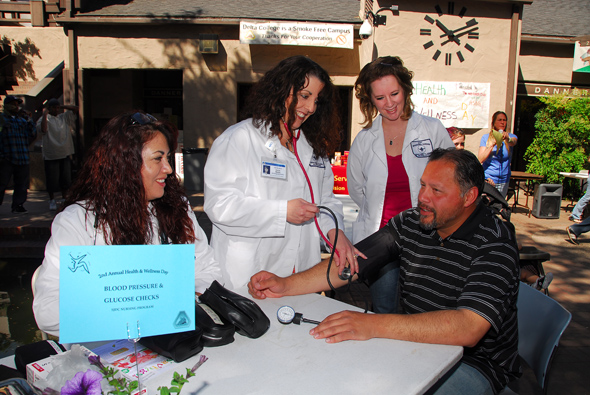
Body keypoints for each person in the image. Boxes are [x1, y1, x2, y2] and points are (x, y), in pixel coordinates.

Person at [249, 148, 521, 395]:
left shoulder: (496, 242)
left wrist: (373, 324)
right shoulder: (412, 222)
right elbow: (351, 262)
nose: (423, 197)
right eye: (423, 185)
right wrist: (285, 285)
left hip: (475, 364)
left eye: (436, 191)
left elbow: (468, 327)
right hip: (416, 347)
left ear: (469, 197)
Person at [33, 112, 222, 336]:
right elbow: (47, 313)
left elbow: (209, 269)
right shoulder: (76, 222)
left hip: (172, 342)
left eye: (168, 158)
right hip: (105, 351)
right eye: (158, 158)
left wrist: (180, 297)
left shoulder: (177, 210)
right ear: (126, 164)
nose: (169, 169)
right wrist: (133, 303)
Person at [204, 55, 360, 290]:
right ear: (281, 90)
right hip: (249, 272)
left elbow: (326, 200)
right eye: (304, 96)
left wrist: (335, 232)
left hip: (300, 274)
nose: (310, 108)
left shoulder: (312, 147)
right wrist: (281, 211)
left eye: (316, 100)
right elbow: (220, 206)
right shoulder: (239, 138)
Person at [347, 56, 453, 313]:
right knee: (385, 310)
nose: (389, 103)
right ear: (370, 100)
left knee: (424, 311)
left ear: (405, 89)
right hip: (380, 241)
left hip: (426, 238)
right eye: (380, 98)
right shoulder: (364, 140)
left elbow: (451, 179)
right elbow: (356, 189)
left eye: (394, 93)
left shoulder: (432, 129)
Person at [36, 98, 79, 210]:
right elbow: (44, 129)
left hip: (64, 152)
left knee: (66, 178)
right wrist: (45, 113)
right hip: (51, 154)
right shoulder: (44, 119)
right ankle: (52, 200)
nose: (56, 110)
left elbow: (76, 109)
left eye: (57, 107)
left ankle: (64, 198)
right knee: (52, 179)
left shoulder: (63, 117)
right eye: (53, 107)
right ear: (49, 109)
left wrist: (62, 106)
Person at [0, 95, 37, 213]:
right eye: (13, 104)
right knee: (2, 184)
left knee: (21, 184)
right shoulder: (2, 119)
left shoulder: (22, 120)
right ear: (7, 105)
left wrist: (29, 118)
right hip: (7, 157)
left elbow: (32, 133)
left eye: (17, 104)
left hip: (22, 157)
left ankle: (18, 205)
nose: (16, 107)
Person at [478, 111, 517, 197]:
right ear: (493, 122)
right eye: (499, 120)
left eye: (504, 120)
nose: (502, 122)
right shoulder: (485, 137)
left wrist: (507, 139)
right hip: (489, 178)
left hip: (503, 180)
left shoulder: (511, 136)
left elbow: (513, 142)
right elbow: (480, 159)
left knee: (500, 205)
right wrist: (492, 144)